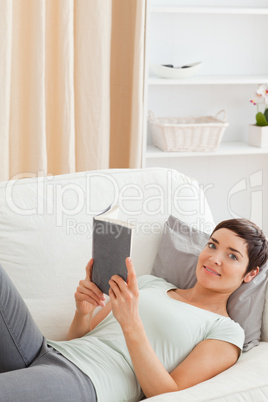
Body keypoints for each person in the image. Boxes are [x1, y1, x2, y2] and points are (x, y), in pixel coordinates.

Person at [0, 218, 267, 402]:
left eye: (232, 256)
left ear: (250, 273)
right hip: (47, 350)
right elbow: (81, 340)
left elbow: (167, 392)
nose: (215, 258)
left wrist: (131, 324)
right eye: (212, 245)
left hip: (87, 380)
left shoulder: (226, 331)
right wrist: (82, 312)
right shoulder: (152, 284)